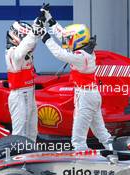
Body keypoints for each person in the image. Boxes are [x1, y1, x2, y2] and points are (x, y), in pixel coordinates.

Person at [39, 4, 112, 150]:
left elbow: (60, 54)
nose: (66, 41)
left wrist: (44, 36)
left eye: (70, 39)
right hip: (91, 95)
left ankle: (82, 166)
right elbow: (62, 35)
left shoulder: (81, 56)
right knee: (101, 133)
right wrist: (49, 18)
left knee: (78, 140)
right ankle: (114, 152)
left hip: (85, 97)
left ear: (77, 39)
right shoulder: (85, 51)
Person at [5, 18, 44, 141]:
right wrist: (34, 29)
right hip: (19, 96)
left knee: (32, 131)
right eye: (25, 36)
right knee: (20, 133)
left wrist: (39, 23)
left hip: (29, 94)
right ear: (16, 36)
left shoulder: (23, 50)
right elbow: (25, 46)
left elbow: (30, 41)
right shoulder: (12, 53)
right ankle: (17, 156)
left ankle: (29, 155)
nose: (29, 40)